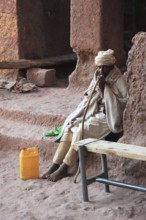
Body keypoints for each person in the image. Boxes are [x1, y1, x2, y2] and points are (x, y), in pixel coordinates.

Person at [42, 49, 129, 182]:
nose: (100, 70)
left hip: (107, 118)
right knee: (70, 129)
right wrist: (97, 90)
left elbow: (123, 103)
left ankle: (65, 167)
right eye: (98, 67)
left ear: (110, 66)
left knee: (80, 132)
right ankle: (55, 164)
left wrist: (104, 88)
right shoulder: (98, 75)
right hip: (93, 112)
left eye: (103, 67)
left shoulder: (118, 80)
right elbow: (89, 95)